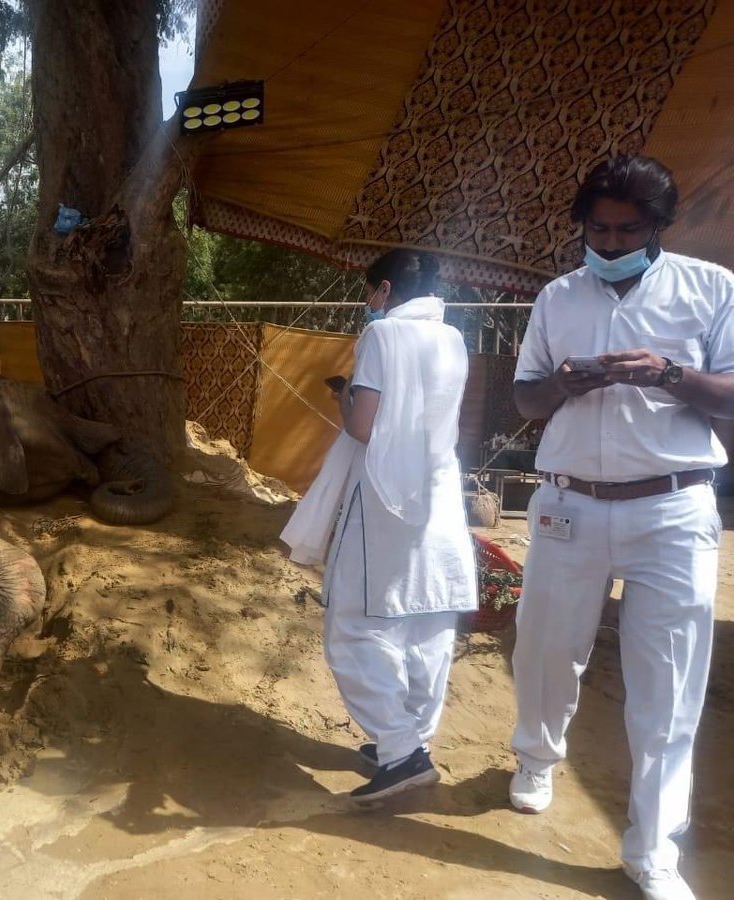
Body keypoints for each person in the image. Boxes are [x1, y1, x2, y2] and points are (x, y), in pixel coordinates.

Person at [509, 155, 734, 900]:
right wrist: (564, 384)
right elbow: (524, 402)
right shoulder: (557, 296)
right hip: (570, 503)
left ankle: (651, 849)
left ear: (659, 228)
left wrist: (669, 373)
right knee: (546, 648)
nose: (608, 244)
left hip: (672, 507)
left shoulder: (713, 290)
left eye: (626, 230)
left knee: (668, 684)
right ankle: (537, 756)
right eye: (596, 230)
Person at [282, 250, 477, 803]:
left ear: (385, 289)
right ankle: (414, 737)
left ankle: (399, 751)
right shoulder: (454, 338)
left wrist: (344, 397)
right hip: (438, 496)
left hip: (385, 501)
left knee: (354, 624)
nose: (369, 302)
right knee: (425, 619)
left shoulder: (383, 336)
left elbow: (366, 427)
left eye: (370, 291)